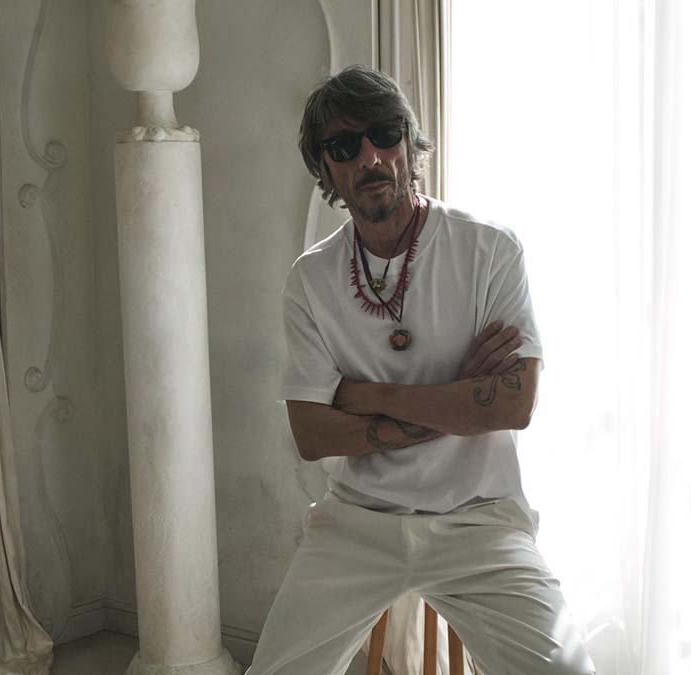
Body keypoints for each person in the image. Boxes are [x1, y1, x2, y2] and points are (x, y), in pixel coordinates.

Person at [246, 65, 595, 675]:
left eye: (384, 134)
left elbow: (514, 406)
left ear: (409, 141)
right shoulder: (311, 280)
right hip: (357, 523)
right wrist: (459, 398)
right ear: (324, 168)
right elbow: (313, 436)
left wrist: (365, 395)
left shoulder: (488, 250)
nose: (370, 157)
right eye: (344, 146)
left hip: (479, 520)